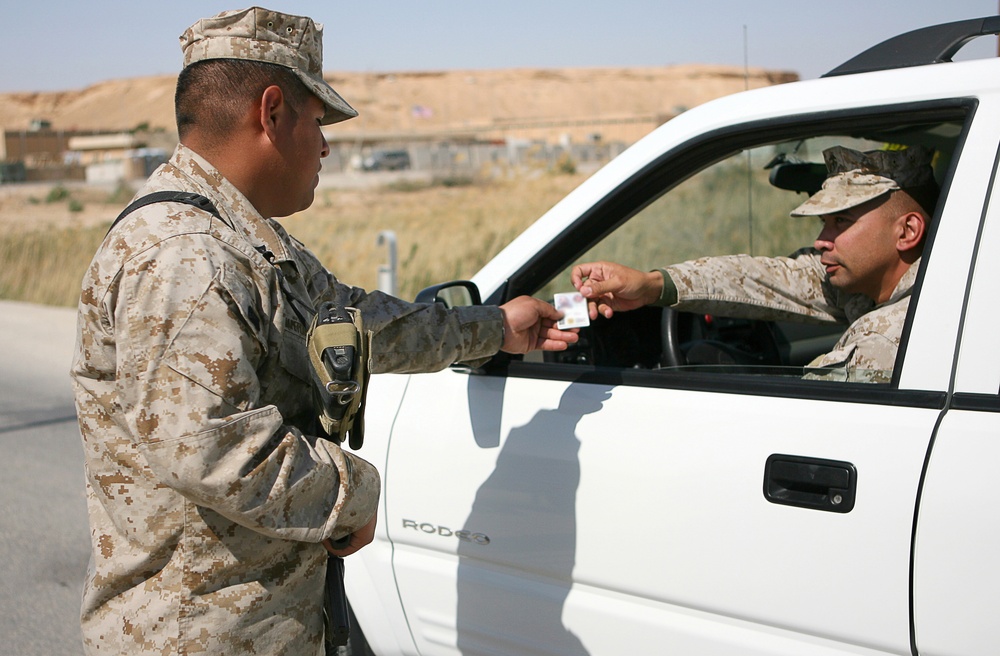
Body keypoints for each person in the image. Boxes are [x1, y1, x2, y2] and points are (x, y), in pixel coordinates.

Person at [69, 7, 577, 655]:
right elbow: (213, 448)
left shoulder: (243, 241)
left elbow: (352, 320)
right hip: (196, 635)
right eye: (318, 121)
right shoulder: (187, 256)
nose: (327, 145)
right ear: (272, 112)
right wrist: (354, 491)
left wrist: (495, 328)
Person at [571, 145, 939, 383]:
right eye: (823, 222)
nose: (820, 240)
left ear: (907, 231)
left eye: (841, 221)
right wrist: (654, 285)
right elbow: (761, 278)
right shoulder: (901, 282)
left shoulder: (885, 340)